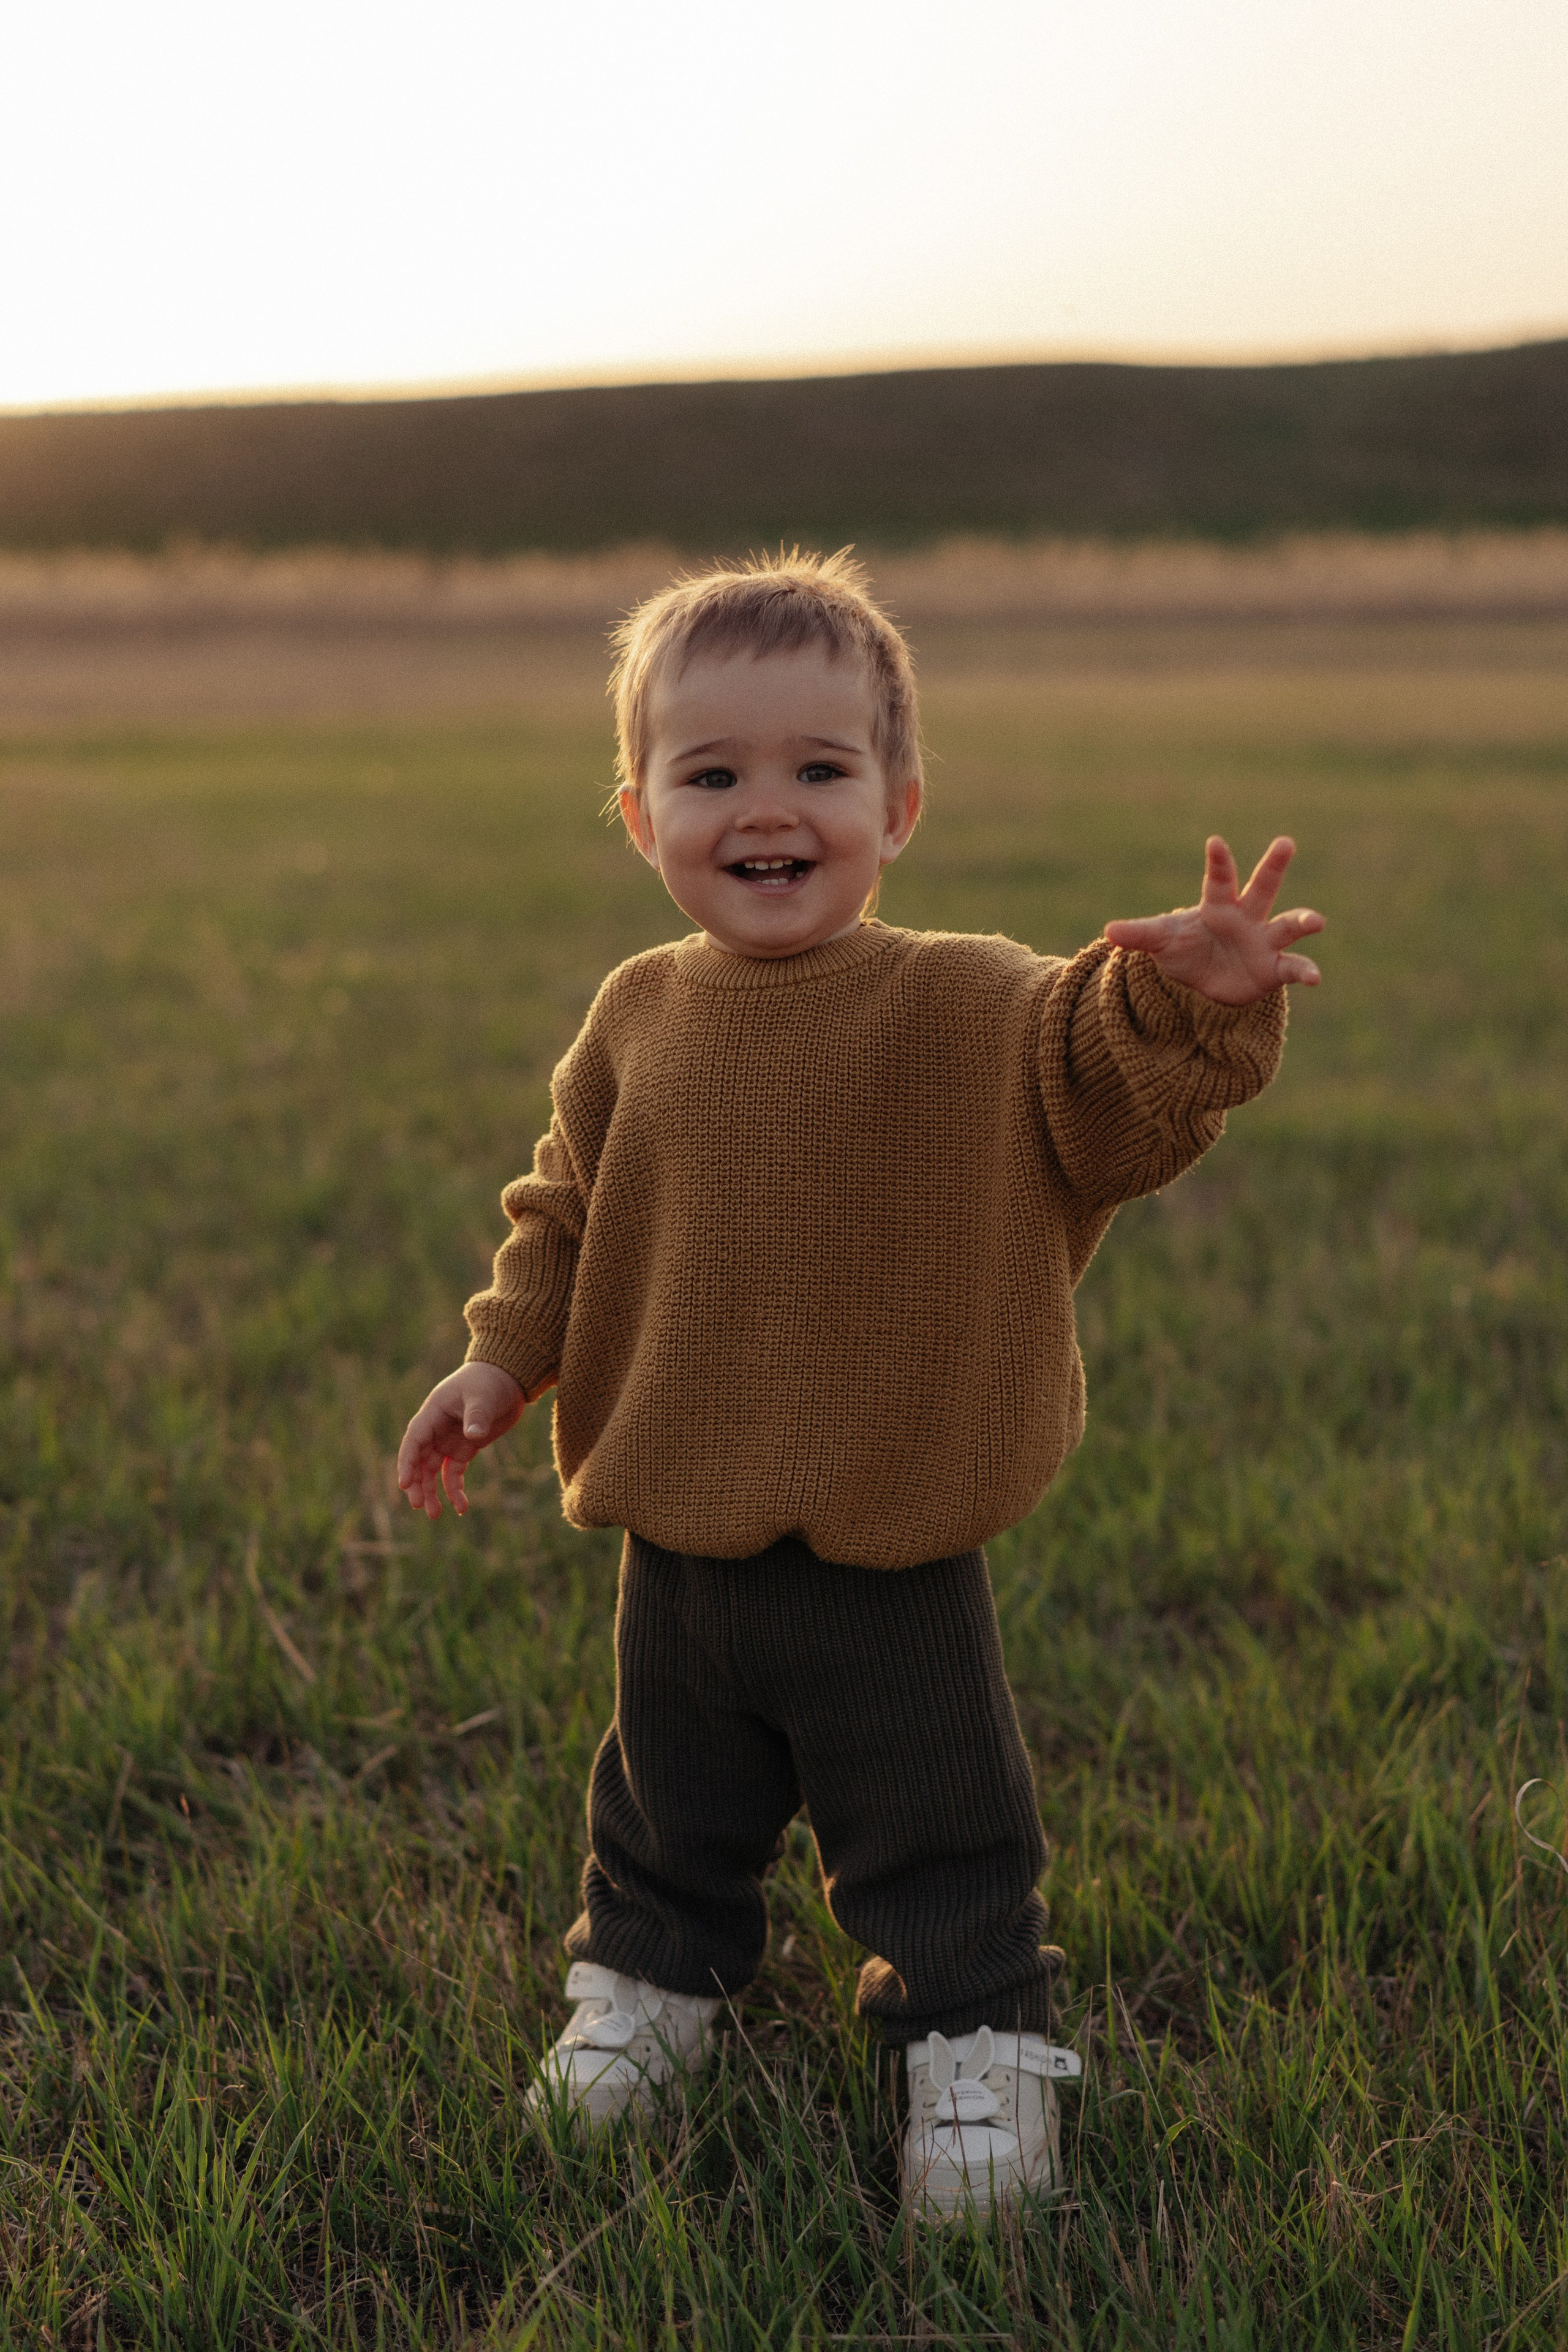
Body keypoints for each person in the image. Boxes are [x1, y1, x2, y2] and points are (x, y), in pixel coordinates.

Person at [395, 550, 1324, 2221]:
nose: (771, 807)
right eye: (714, 772)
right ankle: (653, 1992)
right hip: (679, 1523)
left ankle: (975, 2040)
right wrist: (498, 1355)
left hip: (891, 1536)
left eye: (821, 770)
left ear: (899, 805)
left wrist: (1185, 1001)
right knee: (667, 1803)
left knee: (937, 1820)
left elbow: (1096, 1081)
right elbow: (569, 1206)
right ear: (639, 815)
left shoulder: (968, 1000)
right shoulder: (637, 1014)